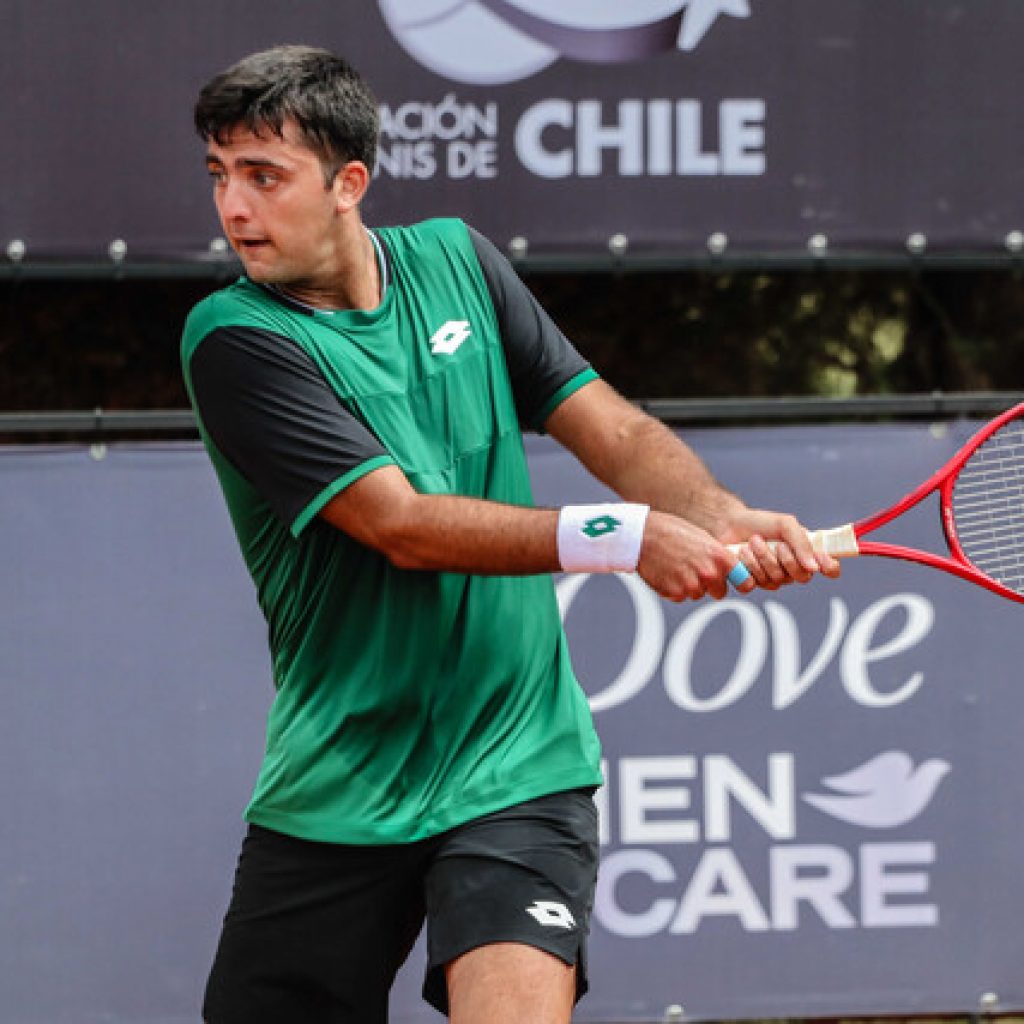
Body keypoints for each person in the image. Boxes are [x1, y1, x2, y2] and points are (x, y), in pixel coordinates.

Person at [181, 44, 840, 1024]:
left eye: (263, 176)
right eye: (220, 176)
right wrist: (628, 536)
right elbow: (398, 525)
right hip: (340, 784)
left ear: (348, 181)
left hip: (516, 764)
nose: (234, 209)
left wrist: (717, 511)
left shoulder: (458, 260)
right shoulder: (235, 340)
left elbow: (603, 421)